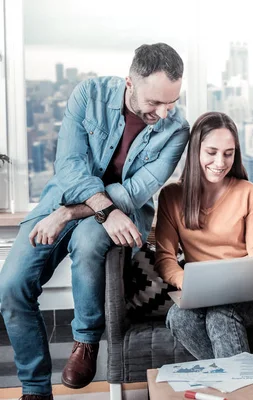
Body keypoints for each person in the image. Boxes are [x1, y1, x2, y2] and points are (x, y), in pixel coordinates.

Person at [0, 43, 190, 399]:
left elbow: (136, 190)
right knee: (10, 288)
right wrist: (73, 208)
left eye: (172, 102)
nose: (164, 113)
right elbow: (69, 166)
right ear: (129, 83)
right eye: (155, 103)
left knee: (88, 243)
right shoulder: (88, 95)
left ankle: (85, 341)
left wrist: (71, 214)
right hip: (60, 198)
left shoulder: (177, 130)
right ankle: (35, 389)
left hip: (104, 212)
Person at [155, 111, 253, 360]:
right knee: (177, 317)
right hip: (201, 293)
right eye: (211, 153)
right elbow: (165, 258)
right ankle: (234, 383)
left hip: (247, 294)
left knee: (220, 314)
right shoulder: (172, 196)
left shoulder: (249, 193)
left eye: (228, 153)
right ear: (195, 152)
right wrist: (187, 283)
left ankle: (235, 389)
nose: (220, 162)